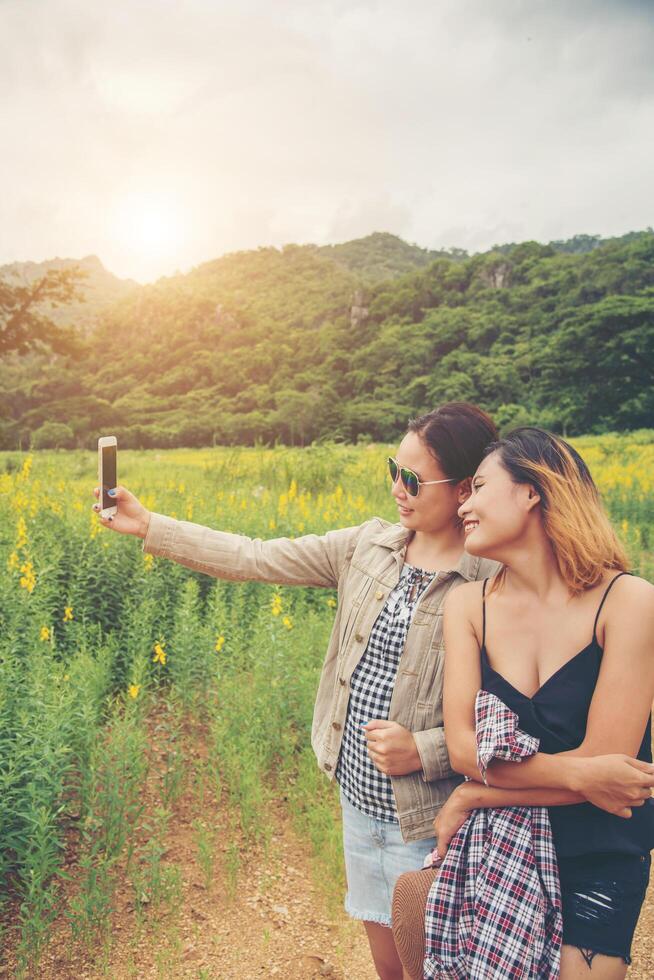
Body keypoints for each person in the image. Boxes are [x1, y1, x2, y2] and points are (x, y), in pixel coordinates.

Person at [92, 402, 500, 980]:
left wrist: (427, 748)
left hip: (434, 817)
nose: (396, 489)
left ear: (464, 489)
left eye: (412, 479)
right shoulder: (369, 546)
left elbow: (520, 710)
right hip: (359, 801)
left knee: (434, 966)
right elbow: (257, 556)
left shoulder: (490, 576)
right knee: (387, 961)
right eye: (392, 469)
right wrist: (150, 525)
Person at [392, 427, 654, 979]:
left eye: (479, 486)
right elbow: (466, 749)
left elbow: (611, 766)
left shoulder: (628, 601)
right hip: (495, 850)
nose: (463, 502)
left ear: (532, 491)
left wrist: (475, 795)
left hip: (597, 853)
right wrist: (569, 777)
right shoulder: (468, 606)